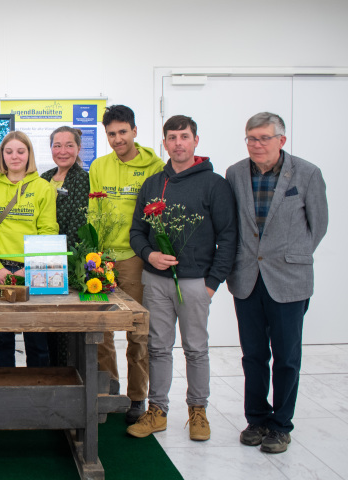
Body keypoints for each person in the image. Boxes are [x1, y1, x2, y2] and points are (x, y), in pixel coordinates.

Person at [127, 115, 237, 441]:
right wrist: (150, 255)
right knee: (158, 348)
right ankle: (157, 411)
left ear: (195, 141)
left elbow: (228, 237)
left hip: (195, 282)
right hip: (155, 281)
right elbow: (137, 232)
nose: (178, 143)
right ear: (164, 143)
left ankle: (198, 411)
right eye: (172, 137)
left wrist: (212, 283)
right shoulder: (152, 184)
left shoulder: (214, 184)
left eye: (184, 136)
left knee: (196, 349)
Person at [227, 112, 328, 454]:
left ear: (281, 140)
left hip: (289, 279)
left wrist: (289, 256)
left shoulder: (307, 173)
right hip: (247, 279)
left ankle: (281, 425)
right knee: (254, 355)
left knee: (286, 357)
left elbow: (318, 225)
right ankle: (256, 419)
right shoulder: (235, 173)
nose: (257, 145)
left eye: (264, 138)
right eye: (251, 138)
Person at [89, 105, 164, 424]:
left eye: (122, 132)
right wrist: (93, 255)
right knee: (101, 332)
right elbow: (94, 211)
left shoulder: (155, 165)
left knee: (137, 331)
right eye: (111, 134)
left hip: (135, 258)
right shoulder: (99, 165)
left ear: (134, 130)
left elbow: (158, 215)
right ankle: (108, 391)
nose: (117, 139)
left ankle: (137, 397)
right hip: (103, 258)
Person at [0, 131, 59, 367]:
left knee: (36, 339)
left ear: (29, 154)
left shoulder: (43, 187)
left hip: (33, 270)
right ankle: (5, 391)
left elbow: (48, 232)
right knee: (2, 338)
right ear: (1, 155)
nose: (14, 157)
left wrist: (29, 269)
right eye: (8, 151)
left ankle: (38, 392)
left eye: (21, 151)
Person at [40, 126, 90, 366]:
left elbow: (78, 227)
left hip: (67, 264)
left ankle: (66, 380)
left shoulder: (82, 180)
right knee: (44, 326)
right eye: (57, 145)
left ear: (78, 148)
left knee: (65, 330)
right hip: (40, 263)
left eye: (69, 145)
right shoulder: (43, 178)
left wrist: (56, 260)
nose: (63, 151)